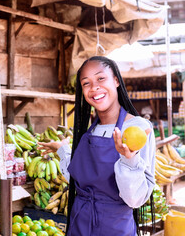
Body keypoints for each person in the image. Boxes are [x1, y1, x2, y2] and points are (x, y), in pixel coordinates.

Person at [38, 56, 155, 236]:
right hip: (80, 224)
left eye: (101, 78)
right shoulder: (89, 132)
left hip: (114, 228)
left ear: (116, 80)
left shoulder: (137, 129)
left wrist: (129, 160)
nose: (94, 88)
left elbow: (135, 199)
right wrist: (62, 149)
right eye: (86, 83)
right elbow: (81, 180)